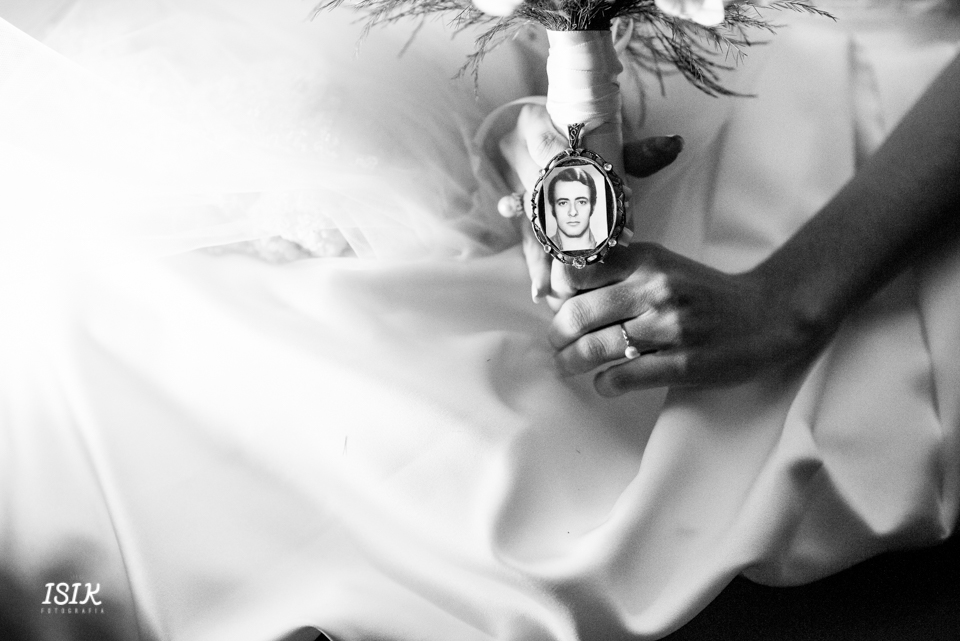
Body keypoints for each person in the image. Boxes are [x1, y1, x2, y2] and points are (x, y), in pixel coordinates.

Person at [1, 1, 958, 640]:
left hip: (870, 111)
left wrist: (789, 298)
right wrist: (546, 119)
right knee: (97, 301)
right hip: (573, 76)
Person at [546, 166, 600, 251]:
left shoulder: (606, 245)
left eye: (581, 202)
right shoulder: (542, 251)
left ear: (593, 205)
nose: (573, 212)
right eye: (563, 203)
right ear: (552, 207)